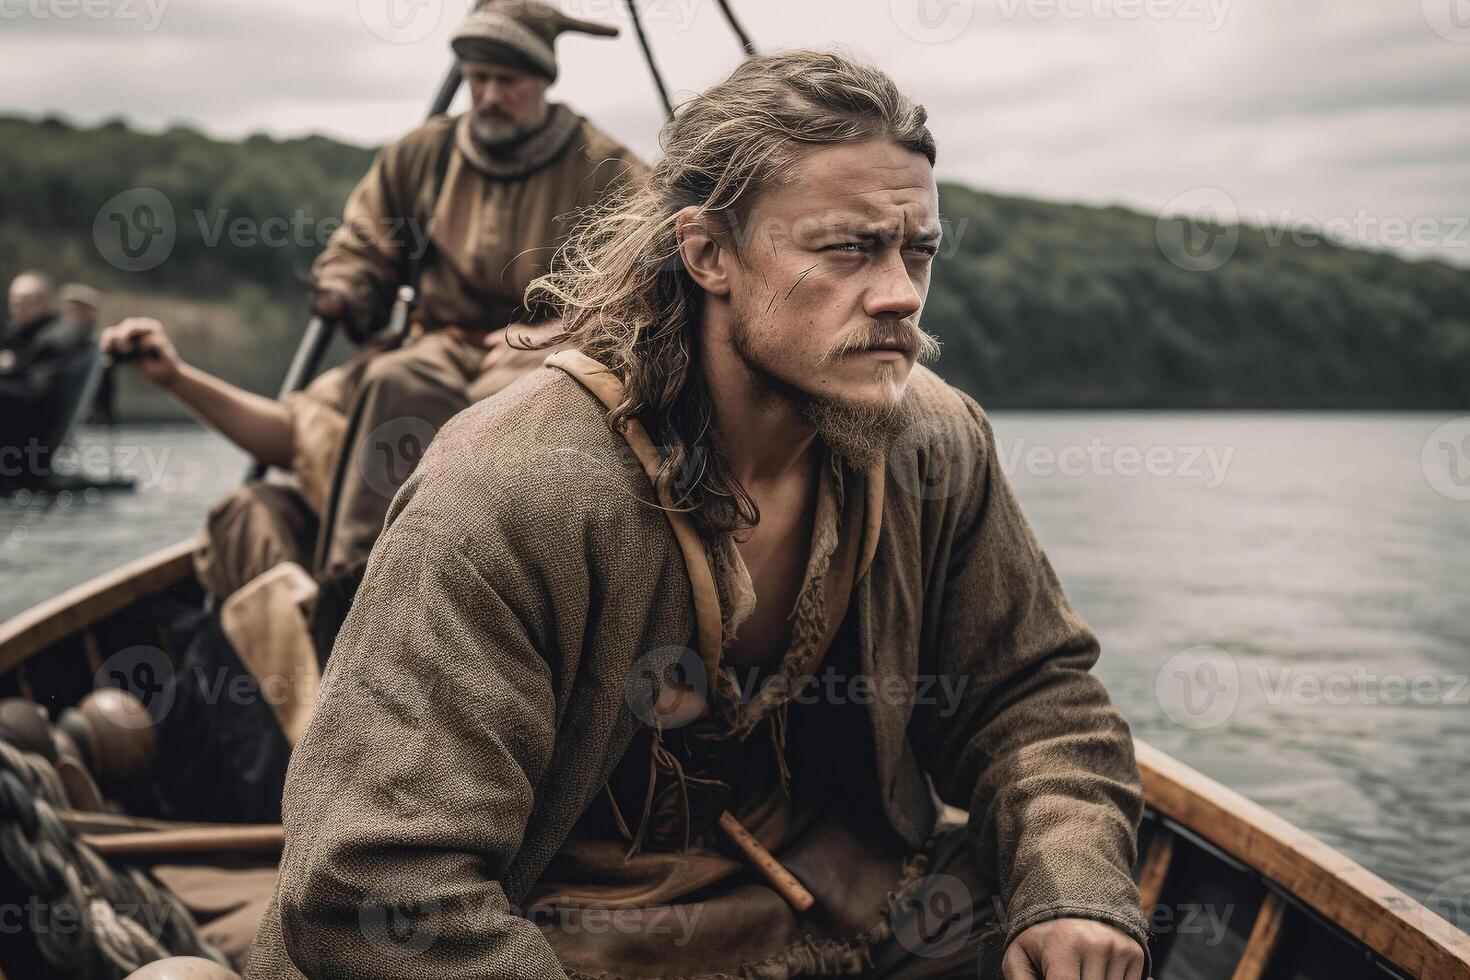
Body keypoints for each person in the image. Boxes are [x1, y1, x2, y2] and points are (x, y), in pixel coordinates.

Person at [245, 51, 1151, 980]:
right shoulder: (512, 492)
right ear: (708, 253)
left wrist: (1069, 889)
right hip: (562, 937)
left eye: (915, 251)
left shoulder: (930, 443)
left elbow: (1030, 696)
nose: (900, 296)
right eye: (847, 248)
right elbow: (371, 879)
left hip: (840, 907)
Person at [101, 0, 644, 603]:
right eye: (477, 79)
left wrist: (564, 334)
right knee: (394, 381)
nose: (488, 96)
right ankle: (354, 587)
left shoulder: (605, 166)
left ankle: (479, 586)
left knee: (500, 413)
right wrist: (347, 287)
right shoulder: (426, 154)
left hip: (549, 352)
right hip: (436, 341)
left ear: (542, 80)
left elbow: (644, 284)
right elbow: (364, 243)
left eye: (507, 81)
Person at [1, 271, 97, 486]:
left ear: (47, 303)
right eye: (14, 302)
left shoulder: (54, 341)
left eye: (27, 302)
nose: (19, 307)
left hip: (22, 448)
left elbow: (34, 398)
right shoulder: (19, 337)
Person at [59, 282, 117, 425]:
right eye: (71, 310)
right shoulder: (60, 342)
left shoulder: (100, 341)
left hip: (97, 416)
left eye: (78, 309)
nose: (72, 314)